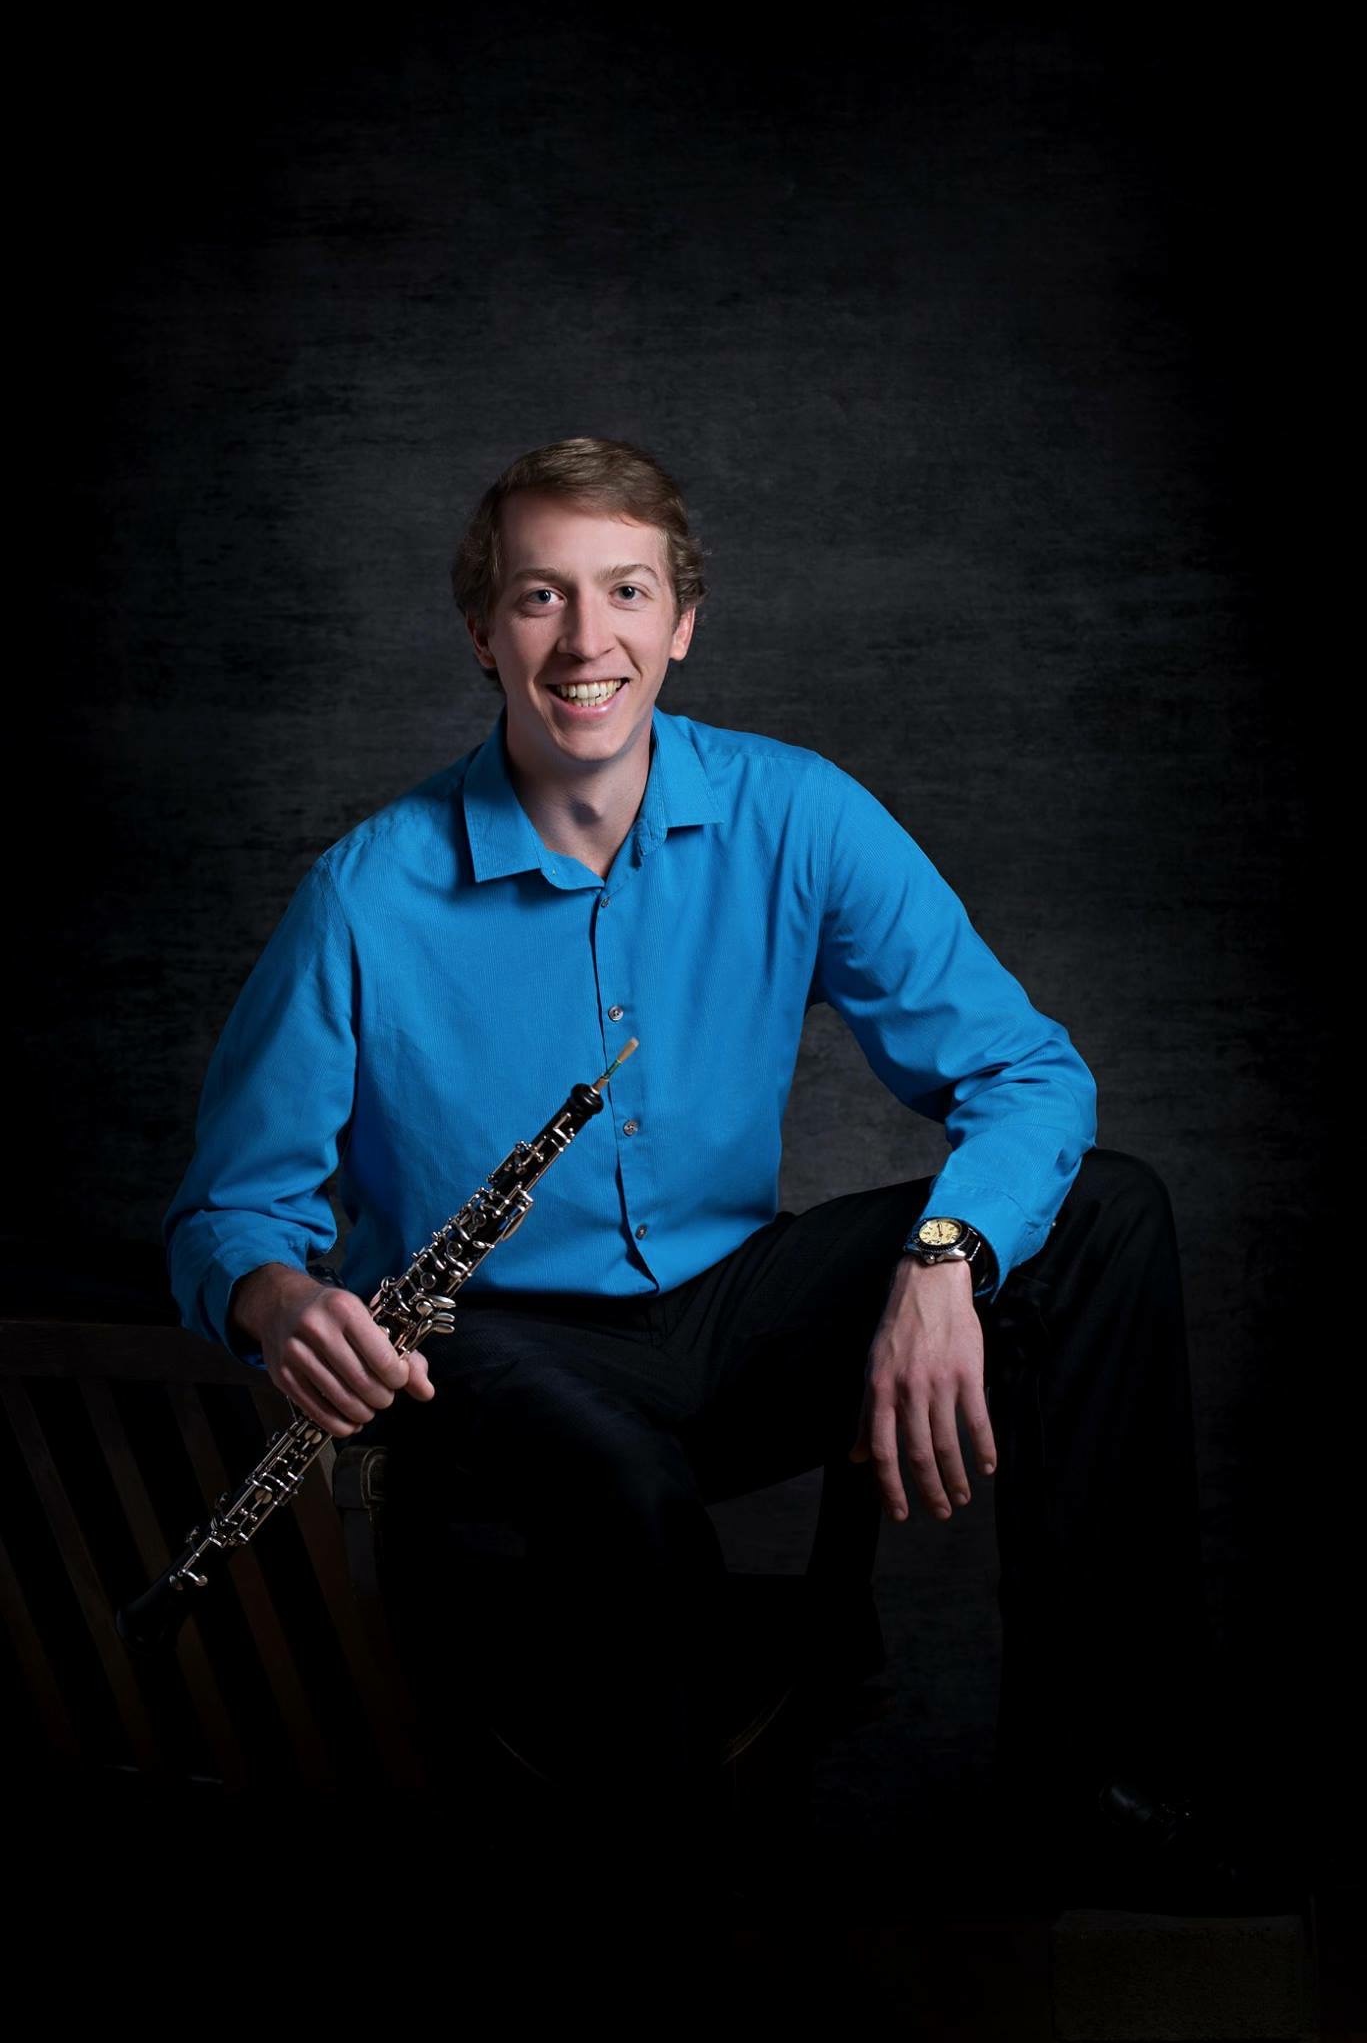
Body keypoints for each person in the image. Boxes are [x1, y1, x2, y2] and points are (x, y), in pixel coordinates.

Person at [164, 438, 1245, 1971]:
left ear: (683, 623)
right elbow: (228, 1213)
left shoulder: (796, 815)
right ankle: (676, 1929)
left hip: (732, 1315)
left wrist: (947, 1254)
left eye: (625, 593)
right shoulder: (366, 894)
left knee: (1106, 1215)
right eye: (540, 596)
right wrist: (276, 1300)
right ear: (482, 632)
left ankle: (1106, 1799)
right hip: (493, 1345)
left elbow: (1027, 1073)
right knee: (612, 1473)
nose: (584, 641)